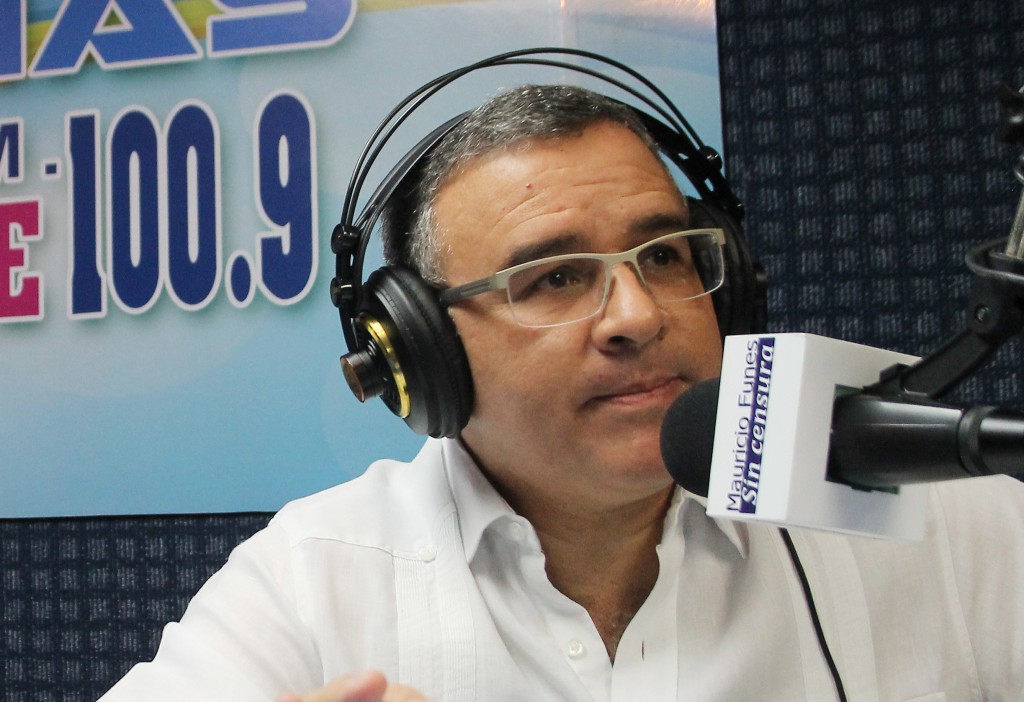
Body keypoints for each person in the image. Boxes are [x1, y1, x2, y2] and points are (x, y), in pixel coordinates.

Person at [99, 81, 1024, 701]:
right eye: (555, 278)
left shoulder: (940, 513)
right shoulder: (314, 579)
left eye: (665, 256)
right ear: (421, 353)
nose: (637, 315)